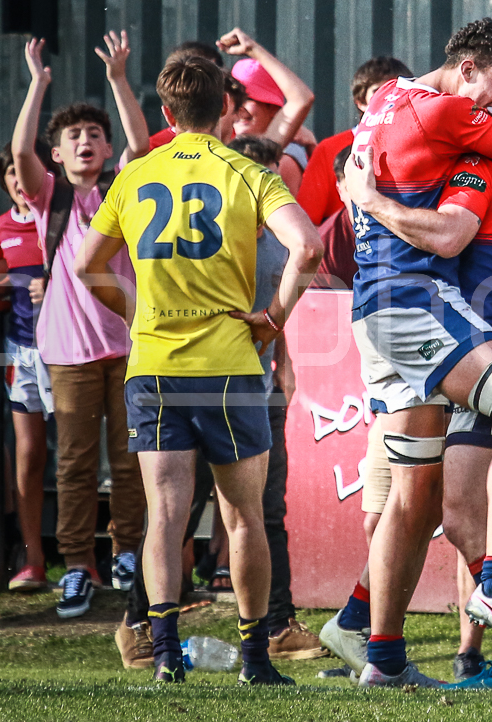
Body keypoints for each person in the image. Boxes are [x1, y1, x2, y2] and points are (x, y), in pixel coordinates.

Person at [344, 19, 492, 688]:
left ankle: (383, 659)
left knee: (416, 497)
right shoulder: (449, 109)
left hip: (374, 307)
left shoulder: (387, 93)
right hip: (415, 301)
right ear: (470, 64)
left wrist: (364, 197)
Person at [75, 54, 322, 685]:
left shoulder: (135, 175)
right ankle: (255, 659)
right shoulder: (247, 171)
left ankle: (163, 656)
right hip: (231, 367)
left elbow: (86, 266)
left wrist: (135, 310)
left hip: (154, 365)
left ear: (165, 113)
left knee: (166, 515)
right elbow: (309, 246)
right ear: (227, 111)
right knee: (244, 519)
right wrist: (275, 315)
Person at [11, 33, 150, 616]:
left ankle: (126, 554)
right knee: (73, 463)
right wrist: (38, 84)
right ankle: (76, 566)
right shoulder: (51, 199)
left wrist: (119, 78)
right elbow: (20, 154)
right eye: (74, 137)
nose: (86, 142)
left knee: (128, 458)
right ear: (59, 156)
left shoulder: (124, 186)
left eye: (94, 135)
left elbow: (141, 146)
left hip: (128, 346)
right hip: (66, 352)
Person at [227, 134, 326, 660]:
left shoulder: (279, 243)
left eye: (274, 178)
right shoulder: (212, 234)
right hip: (201, 387)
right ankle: (144, 627)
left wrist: (282, 357)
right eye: (255, 175)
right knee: (176, 511)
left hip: (260, 390)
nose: (266, 187)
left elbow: (277, 309)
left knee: (268, 511)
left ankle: (279, 625)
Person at [0, 147, 54, 591]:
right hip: (20, 353)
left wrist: (52, 284)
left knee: (77, 458)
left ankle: (85, 562)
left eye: (26, 172)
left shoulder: (63, 217)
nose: (20, 180)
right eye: (11, 173)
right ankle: (33, 560)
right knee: (29, 454)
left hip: (71, 351)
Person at [296, 56, 414, 226]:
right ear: (360, 102)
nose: (390, 98)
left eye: (397, 89)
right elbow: (306, 221)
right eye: (379, 91)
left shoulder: (424, 144)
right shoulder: (329, 150)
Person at [223, 27, 316, 195]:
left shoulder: (280, 157)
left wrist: (252, 49)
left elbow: (302, 98)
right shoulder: (219, 143)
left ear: (273, 109)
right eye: (235, 101)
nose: (240, 109)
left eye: (249, 100)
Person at [311, 144, 358, 290]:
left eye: (374, 186)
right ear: (340, 191)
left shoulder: (408, 228)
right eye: (354, 188)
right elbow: (319, 308)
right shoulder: (325, 246)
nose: (365, 198)